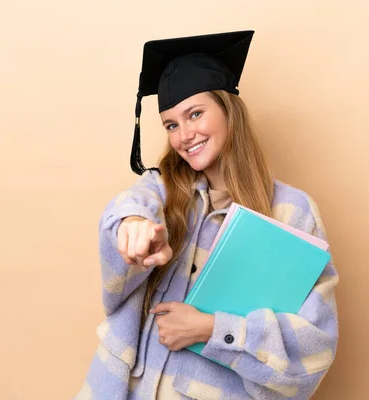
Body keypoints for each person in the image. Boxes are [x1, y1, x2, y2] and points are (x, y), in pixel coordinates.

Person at [75, 30, 339, 400]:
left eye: (195, 114)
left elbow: (313, 351)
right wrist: (134, 226)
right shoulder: (161, 190)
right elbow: (130, 207)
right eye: (171, 124)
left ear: (228, 109)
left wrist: (212, 330)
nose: (184, 135)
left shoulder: (291, 212)